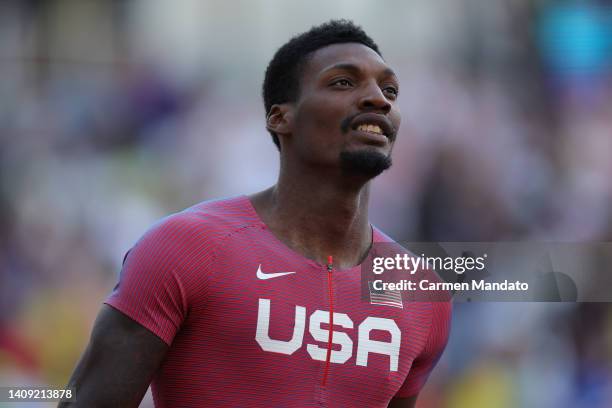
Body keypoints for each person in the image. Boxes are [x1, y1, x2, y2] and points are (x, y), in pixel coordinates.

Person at [61, 20, 451, 408]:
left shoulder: (421, 291)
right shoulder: (185, 248)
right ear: (281, 118)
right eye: (343, 83)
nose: (378, 100)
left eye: (390, 90)